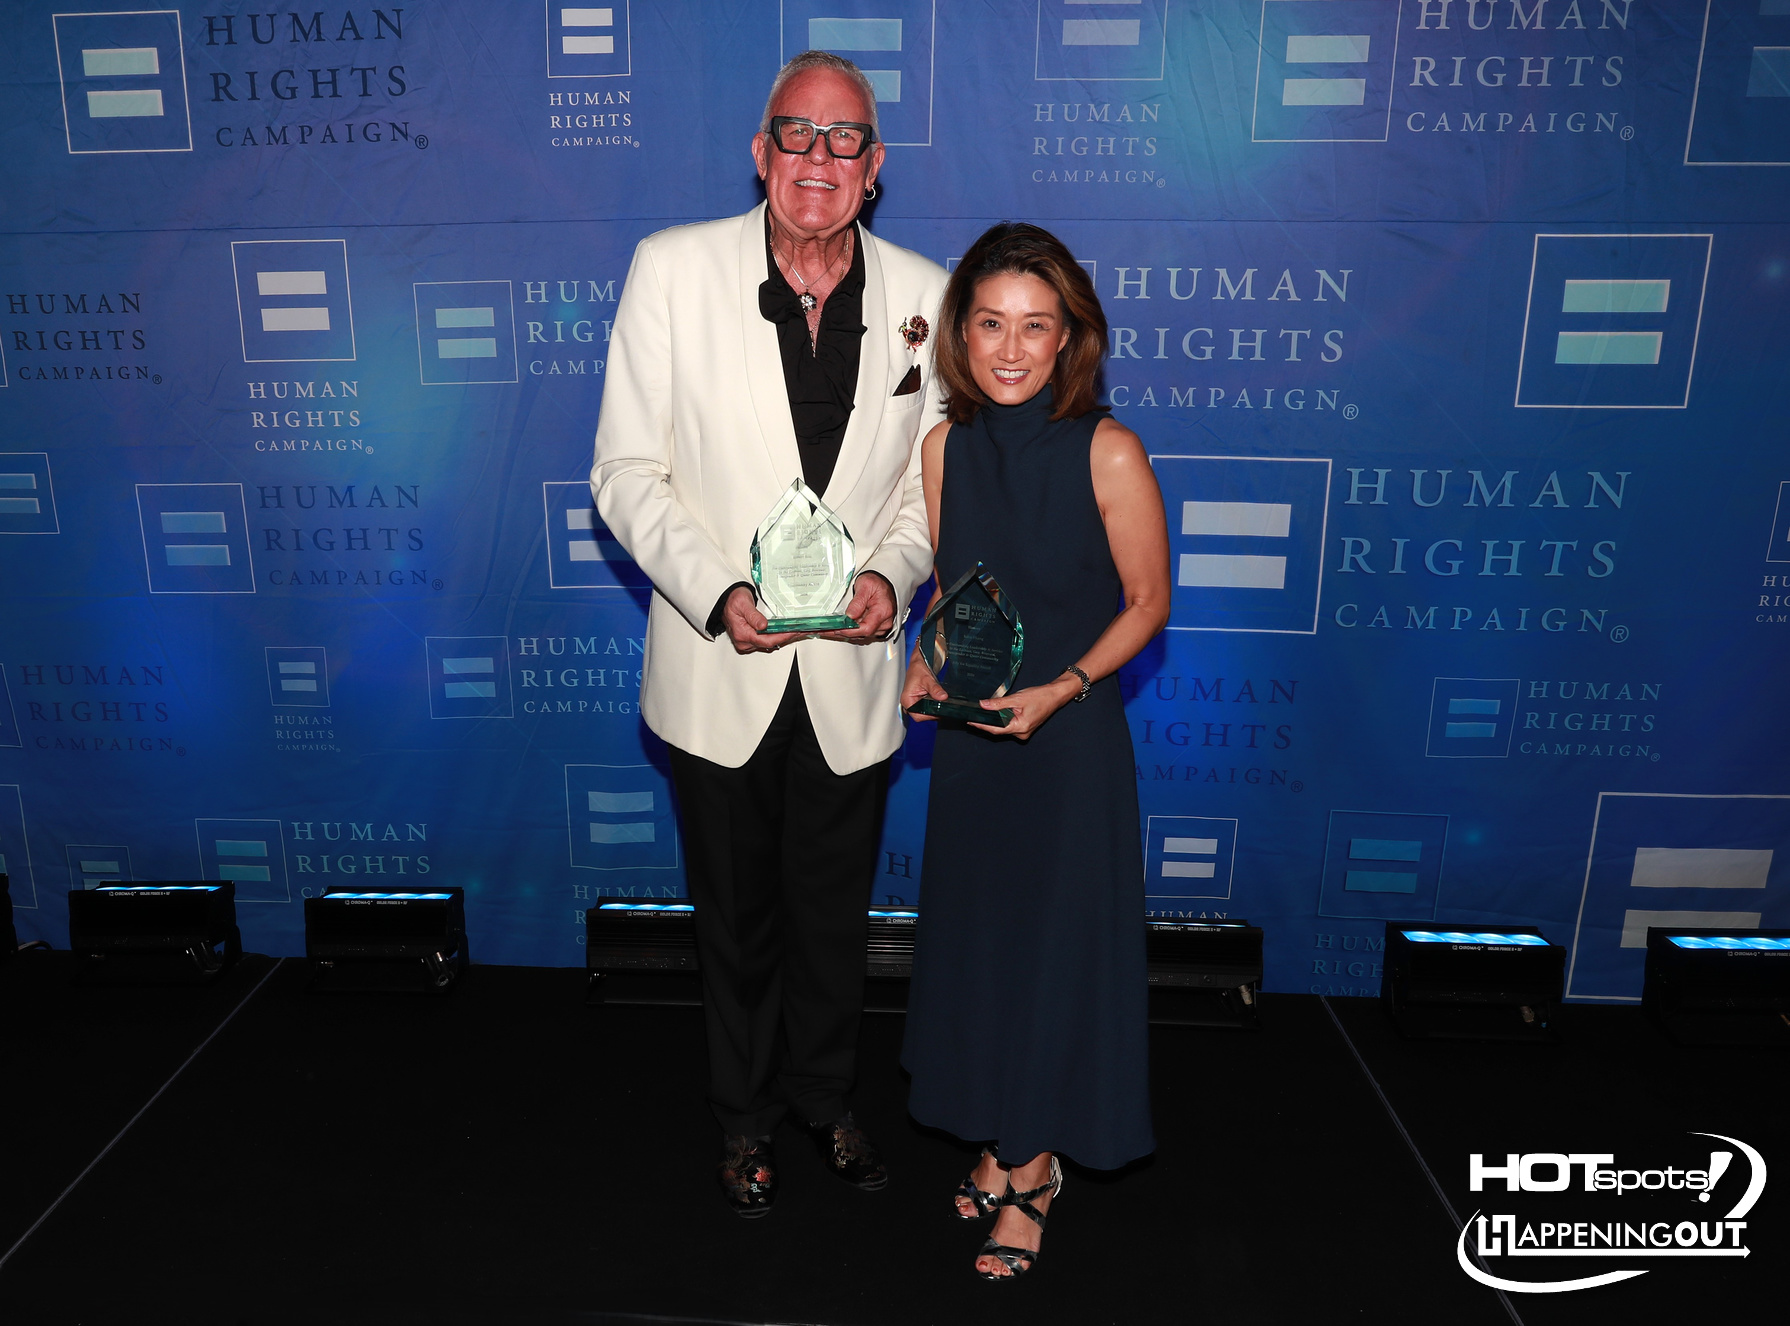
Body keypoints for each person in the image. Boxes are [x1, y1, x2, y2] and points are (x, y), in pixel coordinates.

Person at [590, 52, 947, 1217]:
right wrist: (711, 590)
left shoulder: (926, 298)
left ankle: (825, 1101)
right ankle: (741, 1120)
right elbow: (626, 472)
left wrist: (894, 580)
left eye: (844, 141)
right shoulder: (671, 271)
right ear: (759, 153)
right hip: (716, 664)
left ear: (874, 168)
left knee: (834, 918)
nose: (818, 160)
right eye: (796, 135)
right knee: (734, 919)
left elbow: (921, 489)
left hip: (850, 671)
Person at [898, 223, 1170, 1279]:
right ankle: (994, 1131)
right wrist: (921, 664)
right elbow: (948, 593)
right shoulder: (943, 449)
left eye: (1035, 328)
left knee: (1054, 955)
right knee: (981, 948)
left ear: (1070, 340)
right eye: (990, 325)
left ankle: (1035, 1164)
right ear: (960, 334)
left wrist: (1061, 689)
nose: (1010, 350)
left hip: (1066, 745)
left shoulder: (1107, 449)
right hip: (973, 746)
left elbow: (1146, 601)